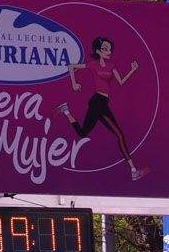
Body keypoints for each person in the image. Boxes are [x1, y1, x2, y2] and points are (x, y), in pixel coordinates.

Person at [58, 36, 146, 180]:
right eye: (105, 49)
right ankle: (133, 170)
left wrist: (132, 70)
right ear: (98, 51)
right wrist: (74, 83)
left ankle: (66, 110)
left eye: (109, 49)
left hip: (102, 102)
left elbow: (121, 81)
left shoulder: (111, 66)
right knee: (120, 135)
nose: (108, 51)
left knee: (82, 133)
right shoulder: (93, 64)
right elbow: (71, 66)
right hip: (98, 102)